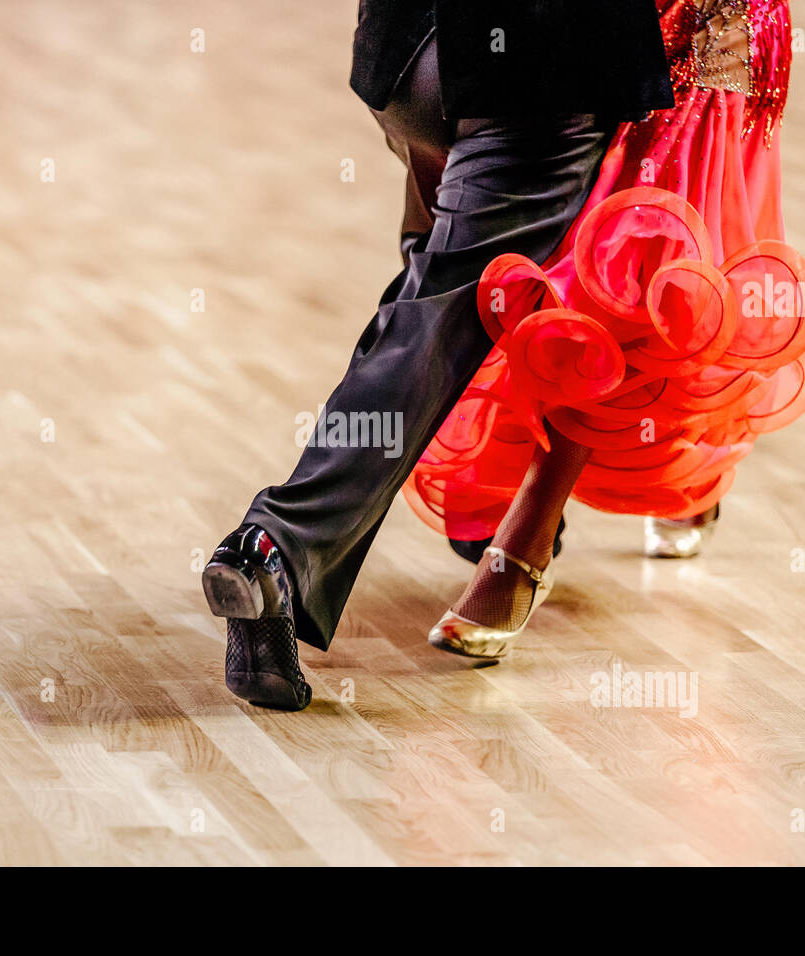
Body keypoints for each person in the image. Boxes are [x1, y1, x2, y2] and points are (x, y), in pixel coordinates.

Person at [202, 1, 674, 710]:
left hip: (405, 54)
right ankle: (279, 545)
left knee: (434, 285)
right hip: (537, 68)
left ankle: (473, 517)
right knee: (447, 309)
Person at [411, 0, 805, 657]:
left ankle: (525, 547)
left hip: (707, 23)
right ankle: (692, 468)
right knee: (569, 249)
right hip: (592, 20)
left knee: (642, 264)